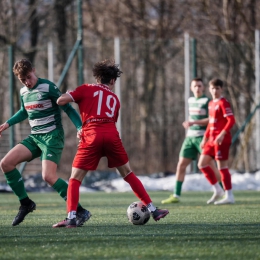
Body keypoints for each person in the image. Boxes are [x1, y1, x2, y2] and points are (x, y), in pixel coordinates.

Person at [52, 59, 169, 228]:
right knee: (128, 174)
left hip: (91, 136)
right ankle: (153, 209)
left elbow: (60, 101)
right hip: (111, 135)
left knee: (75, 179)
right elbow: (109, 120)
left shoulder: (85, 89)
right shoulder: (115, 99)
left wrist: (71, 94)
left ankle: (71, 217)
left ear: (97, 77)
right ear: (112, 81)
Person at [0, 59, 91, 226]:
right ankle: (26, 203)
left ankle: (80, 210)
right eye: (23, 80)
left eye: (29, 77)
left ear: (34, 70)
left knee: (48, 176)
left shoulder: (48, 87)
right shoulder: (23, 92)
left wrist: (80, 127)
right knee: (6, 163)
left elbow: (68, 108)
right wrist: (7, 124)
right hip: (35, 137)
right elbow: (23, 112)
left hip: (52, 136)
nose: (27, 82)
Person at [161, 78, 222, 204]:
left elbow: (211, 119)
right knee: (181, 165)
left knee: (210, 165)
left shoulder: (207, 101)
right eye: (195, 86)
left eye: (200, 86)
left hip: (203, 137)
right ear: (191, 88)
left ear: (203, 88)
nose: (197, 88)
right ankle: (176, 195)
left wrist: (194, 122)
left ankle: (223, 190)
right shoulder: (190, 100)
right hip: (190, 138)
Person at [198, 78, 235, 205]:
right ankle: (218, 190)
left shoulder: (224, 103)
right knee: (202, 164)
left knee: (222, 168)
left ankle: (229, 195)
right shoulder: (211, 103)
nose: (215, 91)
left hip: (221, 140)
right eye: (213, 88)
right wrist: (205, 137)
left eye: (217, 88)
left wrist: (222, 134)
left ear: (221, 89)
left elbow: (231, 120)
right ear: (209, 89)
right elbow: (211, 122)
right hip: (211, 140)